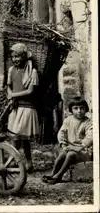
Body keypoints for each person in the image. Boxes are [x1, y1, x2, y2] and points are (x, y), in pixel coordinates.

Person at [42, 96, 93, 184]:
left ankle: (59, 176)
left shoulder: (88, 122)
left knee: (70, 154)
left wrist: (80, 147)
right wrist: (63, 144)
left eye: (82, 108)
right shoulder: (68, 120)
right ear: (71, 110)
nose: (79, 111)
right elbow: (61, 133)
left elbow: (90, 136)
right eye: (75, 108)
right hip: (70, 148)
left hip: (84, 151)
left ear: (86, 109)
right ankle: (53, 174)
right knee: (62, 154)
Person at [6, 42, 40, 173]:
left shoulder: (32, 71)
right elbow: (9, 85)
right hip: (15, 107)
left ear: (24, 57)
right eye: (13, 57)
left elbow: (30, 91)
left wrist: (13, 94)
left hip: (27, 107)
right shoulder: (11, 70)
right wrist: (9, 92)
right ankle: (16, 161)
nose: (15, 59)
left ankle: (28, 162)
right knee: (15, 136)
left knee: (23, 138)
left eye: (18, 57)